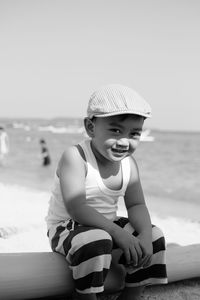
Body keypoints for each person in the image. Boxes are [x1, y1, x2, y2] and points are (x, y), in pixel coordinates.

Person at [46, 84, 168, 300]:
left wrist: (145, 237)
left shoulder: (129, 165)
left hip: (107, 228)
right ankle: (86, 296)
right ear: (90, 127)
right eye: (115, 130)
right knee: (96, 239)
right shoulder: (76, 157)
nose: (124, 141)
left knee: (156, 236)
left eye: (134, 134)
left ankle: (132, 294)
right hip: (69, 228)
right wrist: (118, 234)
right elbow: (77, 208)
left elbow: (136, 205)